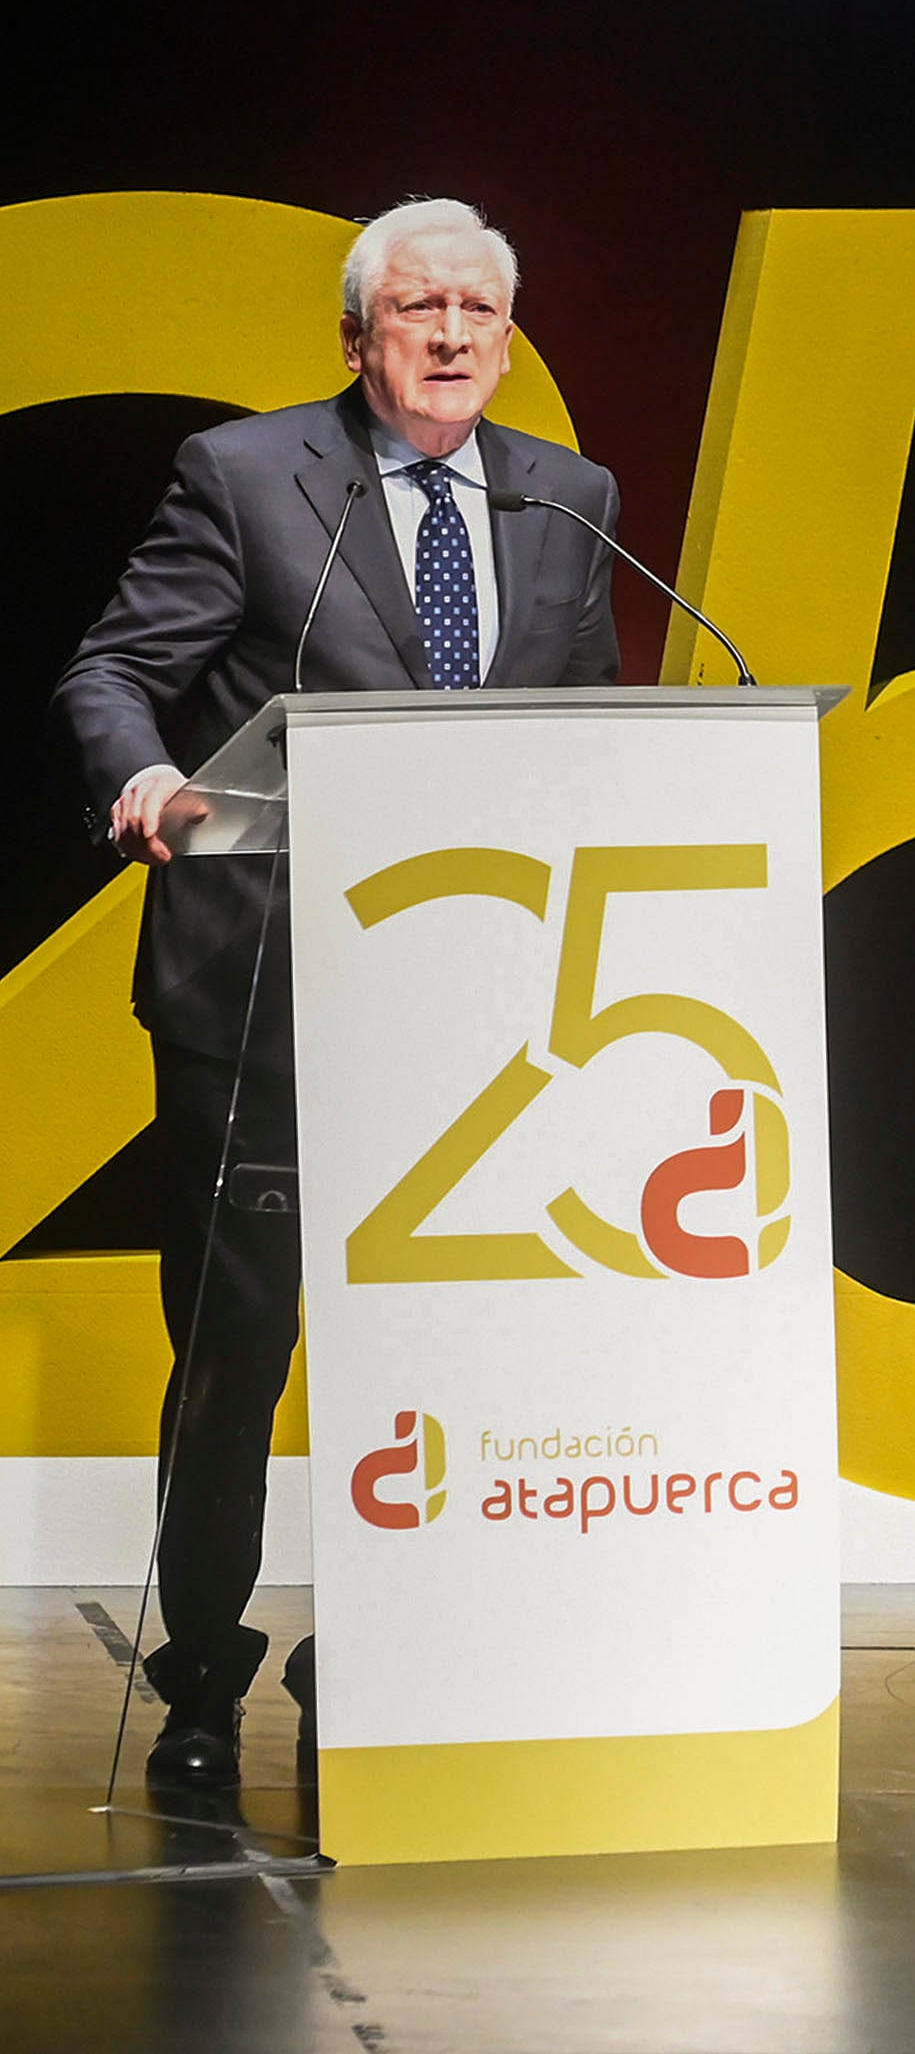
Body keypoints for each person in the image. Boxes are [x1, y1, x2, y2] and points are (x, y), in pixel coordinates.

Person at [54, 197, 625, 1789]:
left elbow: (584, 730)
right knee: (240, 1340)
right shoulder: (247, 477)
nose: (450, 338)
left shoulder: (571, 498)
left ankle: (378, 1644)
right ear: (359, 332)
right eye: (419, 308)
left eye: (479, 314)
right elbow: (109, 672)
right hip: (265, 992)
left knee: (441, 1349)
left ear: (508, 341)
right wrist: (149, 777)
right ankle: (199, 1680)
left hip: (483, 1007)